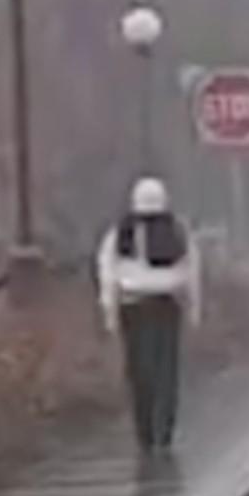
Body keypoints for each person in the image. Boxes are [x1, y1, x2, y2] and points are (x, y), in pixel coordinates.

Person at [97, 177, 201, 453]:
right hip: (167, 305)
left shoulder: (120, 233)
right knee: (166, 371)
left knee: (139, 371)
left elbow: (108, 274)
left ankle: (144, 434)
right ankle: (163, 433)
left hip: (133, 307)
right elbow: (192, 272)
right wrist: (193, 309)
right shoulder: (178, 231)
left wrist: (109, 312)